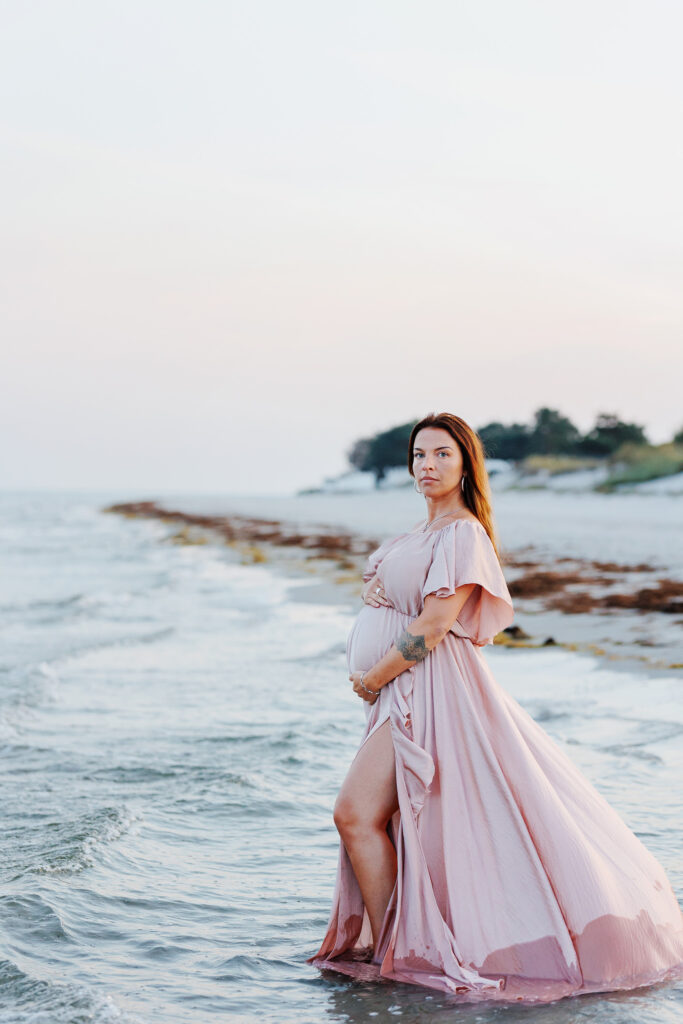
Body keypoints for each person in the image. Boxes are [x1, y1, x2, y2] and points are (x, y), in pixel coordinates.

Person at [306, 412, 683, 1004]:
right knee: (394, 821)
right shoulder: (421, 532)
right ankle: (396, 941)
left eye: (442, 456)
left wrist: (371, 677)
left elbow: (433, 626)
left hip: (429, 693)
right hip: (402, 696)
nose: (427, 466)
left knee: (355, 813)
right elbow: (404, 602)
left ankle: (393, 949)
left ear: (465, 466)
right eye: (419, 455)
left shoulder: (462, 534)